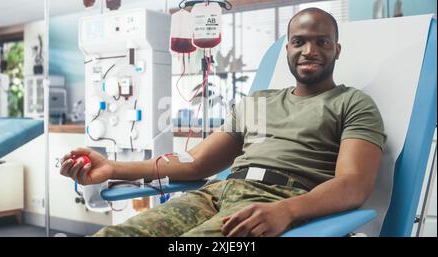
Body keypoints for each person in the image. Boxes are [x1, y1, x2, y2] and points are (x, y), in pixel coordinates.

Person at [60, 7, 386, 237]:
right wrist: (112, 168)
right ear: (288, 48)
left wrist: (287, 211)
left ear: (337, 49)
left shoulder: (353, 103)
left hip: (275, 201)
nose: (309, 50)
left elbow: (354, 184)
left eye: (322, 42)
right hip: (217, 193)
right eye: (299, 41)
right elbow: (195, 162)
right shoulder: (258, 102)